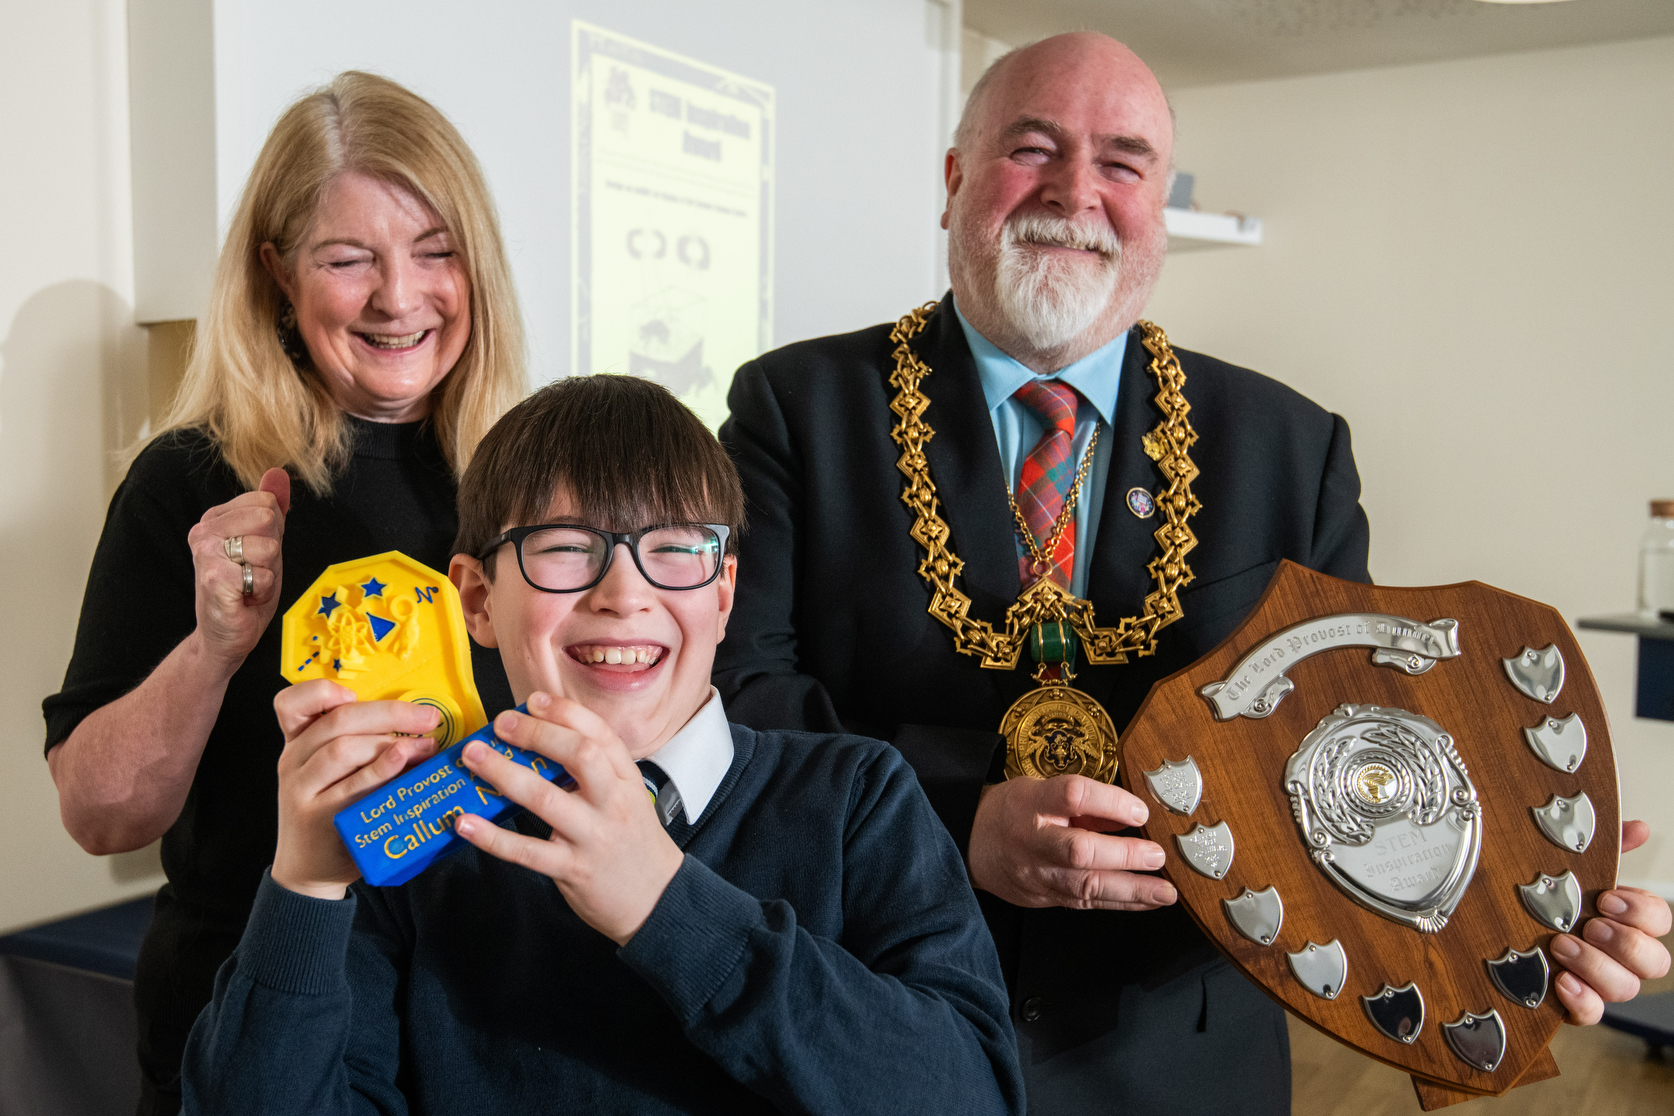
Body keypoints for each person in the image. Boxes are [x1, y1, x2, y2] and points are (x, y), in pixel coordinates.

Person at [714, 31, 1672, 1113]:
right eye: (1034, 149)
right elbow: (740, 702)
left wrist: (1518, 894)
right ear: (954, 181)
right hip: (872, 1023)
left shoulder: (1291, 446)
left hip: (1179, 1058)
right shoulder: (795, 410)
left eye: (1123, 164)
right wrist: (951, 815)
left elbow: (1345, 737)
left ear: (1157, 203)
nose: (1079, 195)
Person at [178, 374, 1025, 1115]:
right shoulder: (417, 846)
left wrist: (665, 905)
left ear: (725, 593)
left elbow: (969, 1093)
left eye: (676, 551)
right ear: (475, 598)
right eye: (564, 550)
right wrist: (304, 887)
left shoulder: (856, 800)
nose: (626, 595)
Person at [42, 72, 524, 1115]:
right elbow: (99, 813)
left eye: (435, 252)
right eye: (349, 260)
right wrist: (214, 646)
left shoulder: (527, 475)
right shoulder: (191, 482)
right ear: (277, 276)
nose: (401, 297)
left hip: (481, 1027)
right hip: (252, 1032)